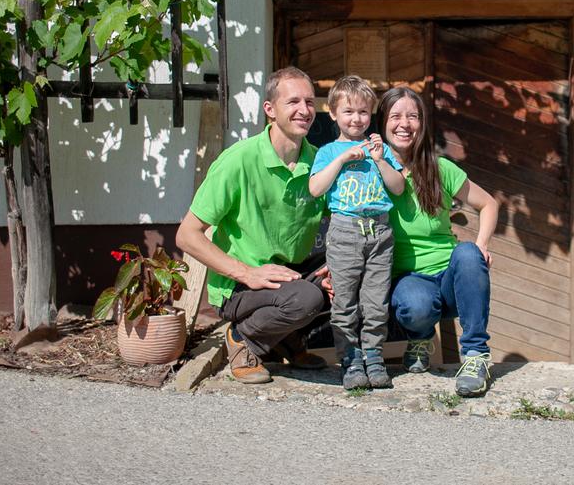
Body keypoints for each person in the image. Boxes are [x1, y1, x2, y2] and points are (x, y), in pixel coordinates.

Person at [176, 67, 330, 384]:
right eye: (294, 102)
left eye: (310, 102)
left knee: (350, 273)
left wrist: (336, 269)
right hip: (240, 283)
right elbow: (187, 235)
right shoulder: (239, 160)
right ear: (270, 110)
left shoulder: (320, 162)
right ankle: (243, 340)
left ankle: (285, 340)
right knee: (306, 299)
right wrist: (246, 273)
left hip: (289, 272)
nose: (304, 110)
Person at [379, 86, 500, 397]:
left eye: (413, 116)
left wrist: (482, 244)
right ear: (382, 122)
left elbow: (489, 204)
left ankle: (475, 356)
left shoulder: (440, 168)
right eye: (395, 116)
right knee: (414, 305)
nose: (404, 123)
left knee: (469, 253)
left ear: (422, 124)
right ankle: (419, 338)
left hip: (450, 279)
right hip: (408, 279)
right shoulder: (371, 171)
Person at [309, 76, 405, 390]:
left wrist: (380, 160)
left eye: (363, 112)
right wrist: (341, 159)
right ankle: (349, 358)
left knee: (376, 301)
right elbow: (315, 188)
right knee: (345, 301)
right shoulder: (327, 152)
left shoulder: (381, 149)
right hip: (345, 231)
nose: (357, 118)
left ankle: (374, 356)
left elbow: (398, 187)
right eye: (349, 111)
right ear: (333, 113)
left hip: (379, 231)